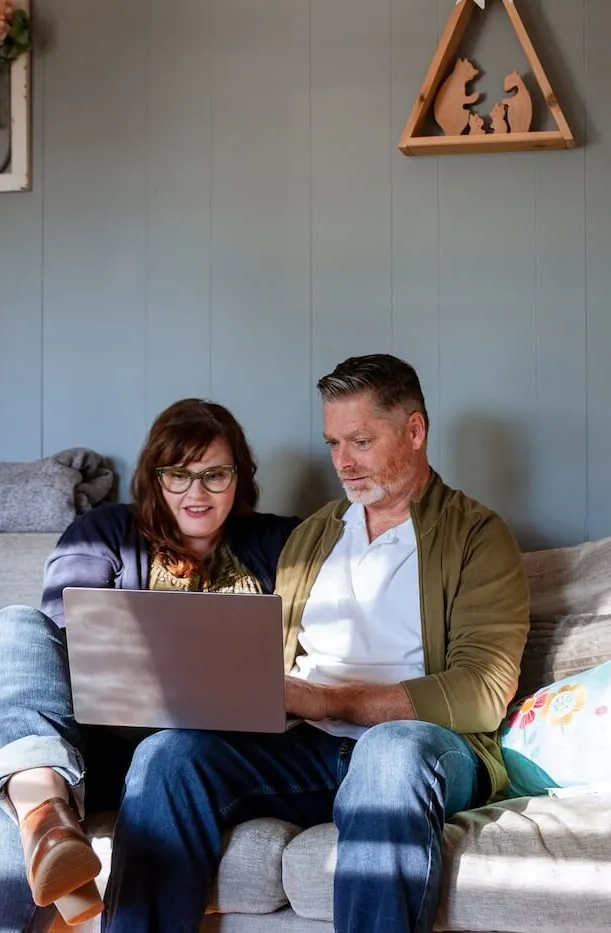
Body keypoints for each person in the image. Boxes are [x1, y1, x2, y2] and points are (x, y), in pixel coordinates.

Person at [103, 354, 531, 933]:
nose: (344, 464)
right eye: (333, 444)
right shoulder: (314, 534)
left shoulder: (478, 536)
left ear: (414, 430)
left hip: (423, 750)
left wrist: (328, 701)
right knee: (166, 757)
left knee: (388, 754)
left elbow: (483, 692)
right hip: (306, 748)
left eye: (360, 440)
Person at [0, 399, 301, 933]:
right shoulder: (105, 531)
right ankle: (47, 809)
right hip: (87, 751)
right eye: (178, 475)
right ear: (154, 477)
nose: (197, 493)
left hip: (184, 768)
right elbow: (56, 654)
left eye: (215, 475)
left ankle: (45, 821)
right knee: (13, 628)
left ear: (240, 477)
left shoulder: (280, 543)